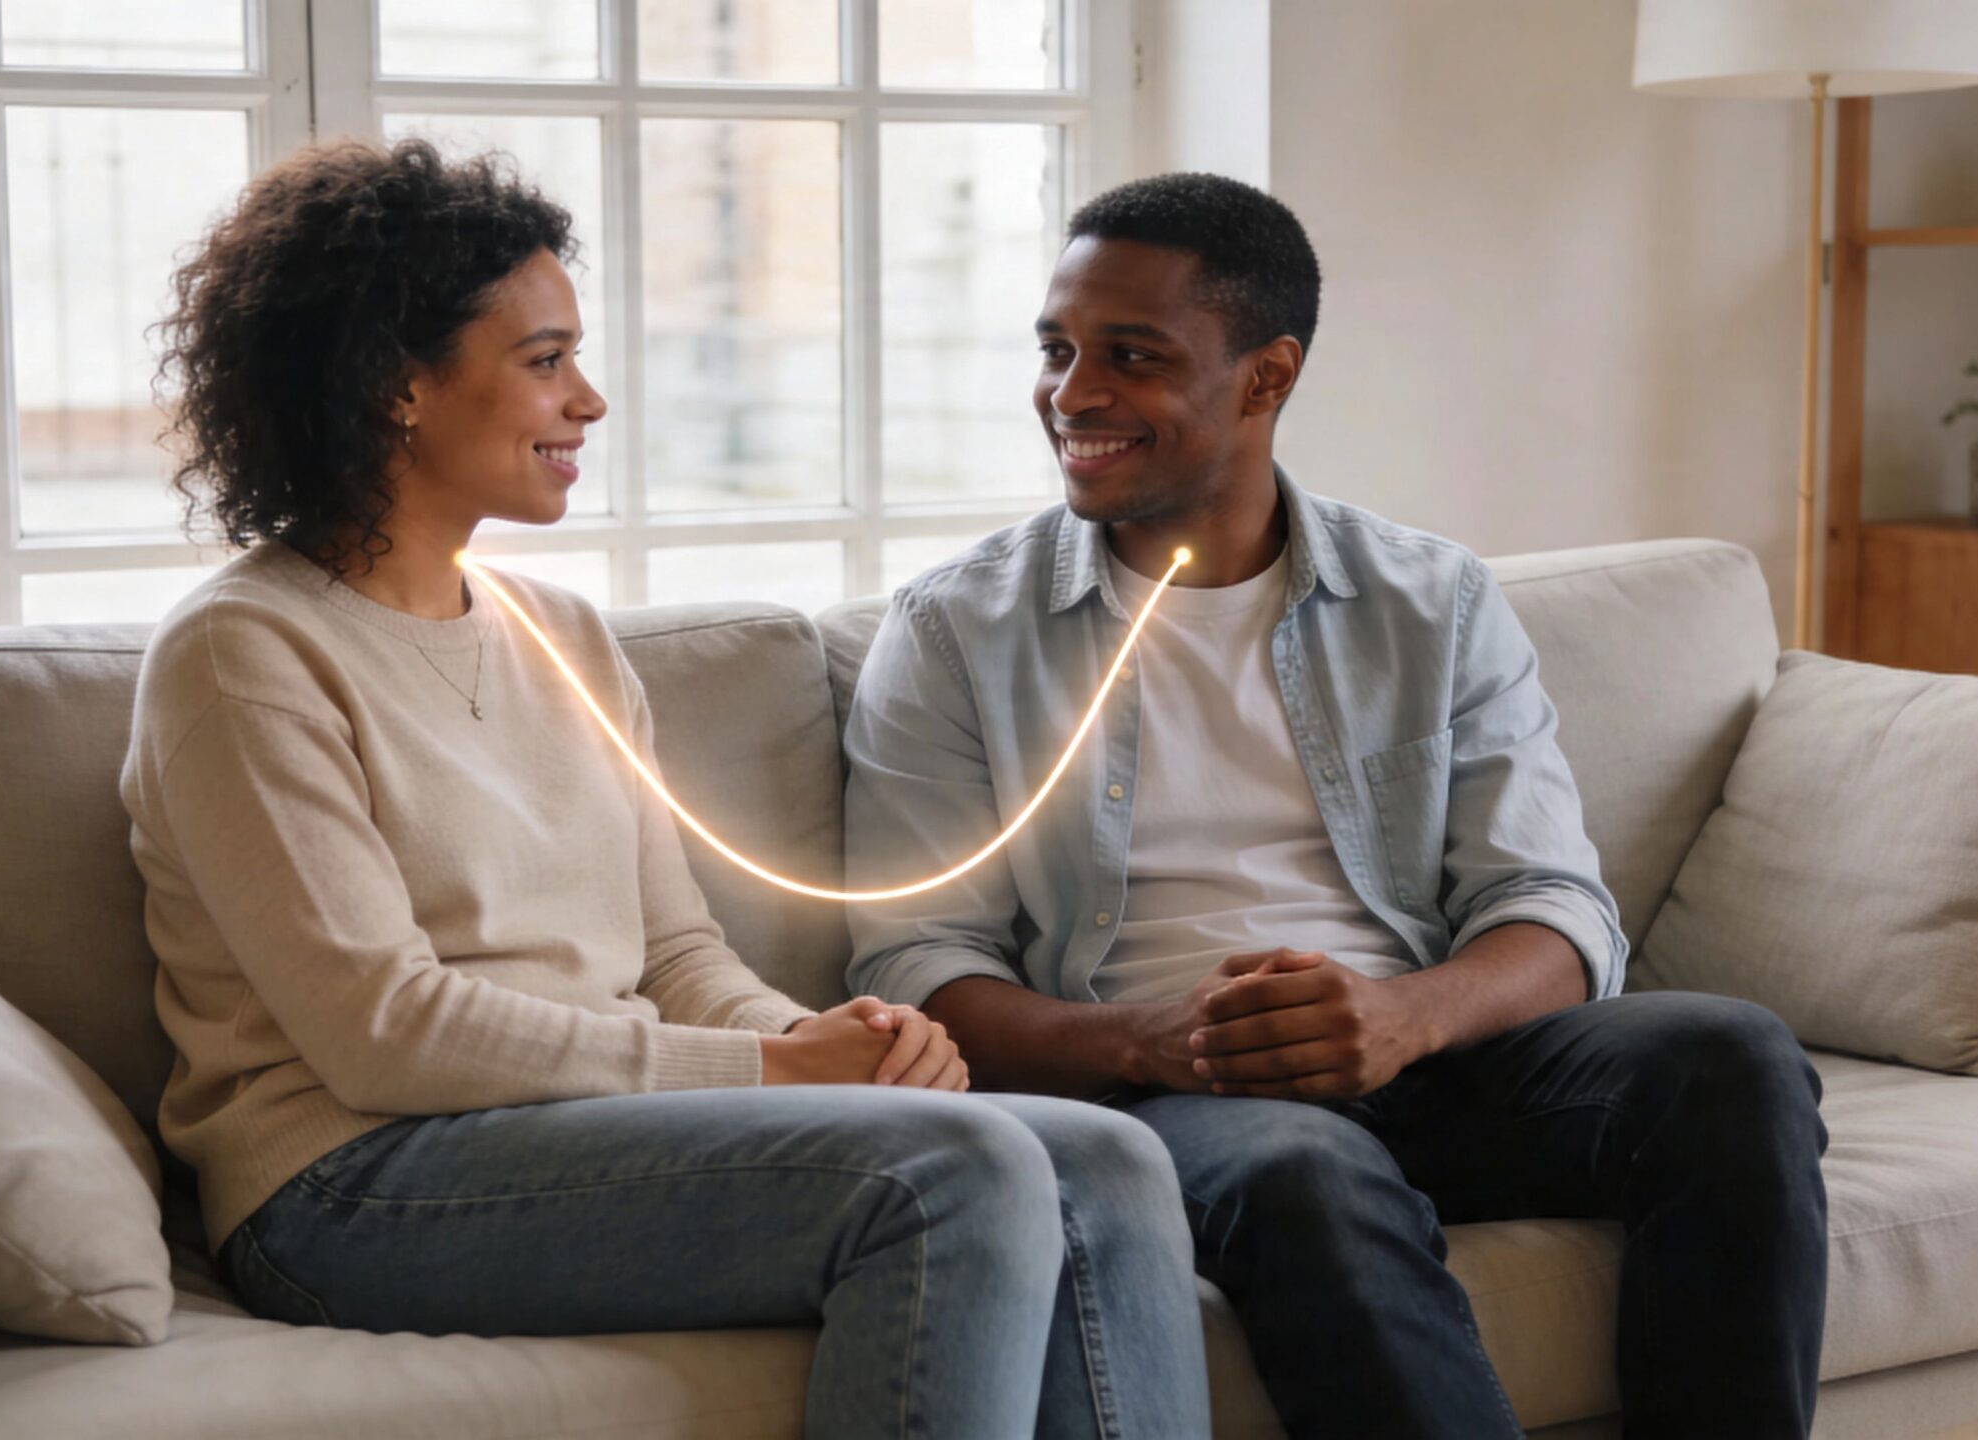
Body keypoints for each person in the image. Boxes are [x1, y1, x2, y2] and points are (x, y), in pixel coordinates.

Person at [122, 137, 1209, 1440]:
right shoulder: (243, 654)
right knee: (949, 1174)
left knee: (1108, 1155)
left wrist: (848, 1050)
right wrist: (775, 1067)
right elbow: (385, 1031)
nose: (586, 401)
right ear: (396, 384)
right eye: (543, 361)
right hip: (351, 1177)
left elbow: (680, 956)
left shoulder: (565, 637)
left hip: (578, 1133)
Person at [843, 171, 1830, 1438]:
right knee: (1302, 1168)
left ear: (1266, 377)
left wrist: (1400, 1017)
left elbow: (1551, 903)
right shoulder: (953, 633)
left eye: (1130, 358)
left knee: (1730, 1055)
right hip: (1169, 1101)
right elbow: (916, 963)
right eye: (1056, 350)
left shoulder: (1432, 600)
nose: (1071, 394)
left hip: (1428, 1056)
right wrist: (1157, 1043)